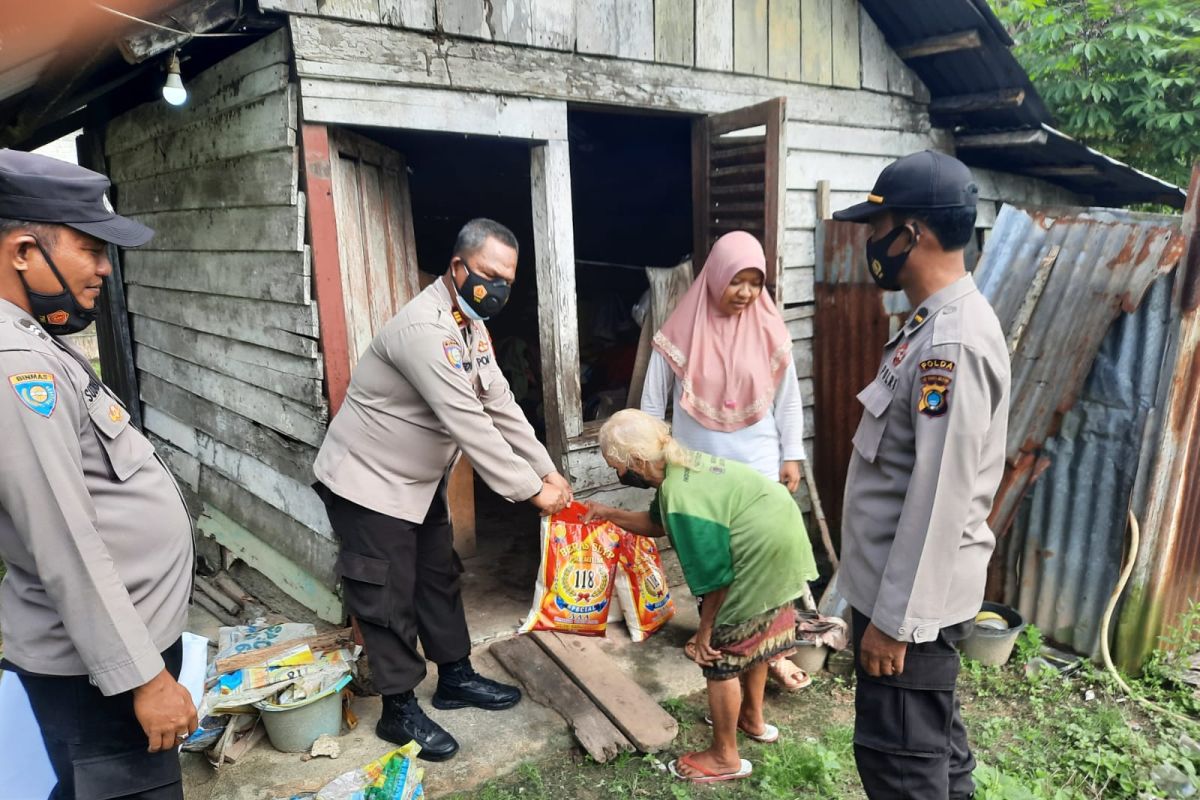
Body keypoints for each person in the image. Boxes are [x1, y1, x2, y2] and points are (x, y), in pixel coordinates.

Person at [313, 218, 573, 762]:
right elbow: (468, 422)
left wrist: (548, 469)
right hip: (368, 483)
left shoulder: (469, 325)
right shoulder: (422, 330)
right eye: (489, 275)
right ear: (457, 267)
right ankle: (398, 708)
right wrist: (530, 492)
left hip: (416, 482)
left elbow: (499, 402)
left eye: (508, 279)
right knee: (386, 594)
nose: (498, 289)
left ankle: (454, 677)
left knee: (438, 576)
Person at [0, 149, 197, 799]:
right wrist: (144, 678)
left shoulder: (36, 337)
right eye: (92, 248)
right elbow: (64, 540)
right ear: (25, 250)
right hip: (101, 677)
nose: (106, 269)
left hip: (108, 659)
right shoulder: (14, 364)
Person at [831, 150, 1011, 799]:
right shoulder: (928, 327)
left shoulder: (948, 345)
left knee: (902, 770)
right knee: (935, 755)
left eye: (880, 230)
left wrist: (895, 623)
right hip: (903, 599)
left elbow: (939, 495)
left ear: (917, 233)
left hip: (909, 613)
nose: (872, 244)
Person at [585, 409, 818, 785]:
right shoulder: (681, 466)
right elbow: (657, 524)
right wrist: (606, 512)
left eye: (617, 465)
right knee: (758, 640)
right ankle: (752, 719)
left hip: (759, 556)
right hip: (783, 541)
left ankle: (725, 756)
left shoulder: (680, 494)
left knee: (720, 657)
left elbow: (715, 579)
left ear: (638, 461)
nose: (616, 473)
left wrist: (705, 631)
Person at [640, 230, 811, 691]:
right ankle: (717, 639)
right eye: (738, 280)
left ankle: (765, 651)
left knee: (756, 558)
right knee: (710, 556)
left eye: (756, 282)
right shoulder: (681, 329)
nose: (747, 293)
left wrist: (792, 454)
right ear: (716, 276)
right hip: (698, 467)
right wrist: (648, 453)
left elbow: (788, 400)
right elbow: (654, 402)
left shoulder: (769, 327)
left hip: (756, 461)